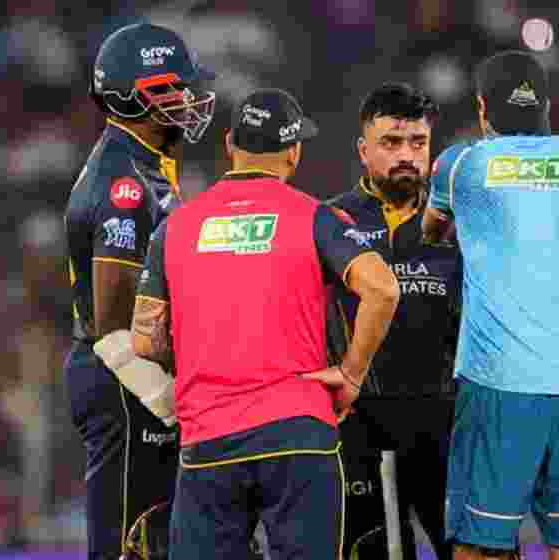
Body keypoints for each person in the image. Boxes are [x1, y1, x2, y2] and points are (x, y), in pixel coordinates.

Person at [127, 87, 400, 560]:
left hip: (209, 441)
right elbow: (383, 289)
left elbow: (143, 340)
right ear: (294, 152)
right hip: (297, 436)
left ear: (230, 144)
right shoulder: (316, 218)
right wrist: (352, 373)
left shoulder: (174, 228)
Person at [423, 50, 559, 560]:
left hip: (498, 382)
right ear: (547, 106)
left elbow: (431, 233)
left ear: (485, 109)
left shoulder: (459, 163)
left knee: (479, 547)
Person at [63, 22, 215, 560]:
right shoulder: (124, 182)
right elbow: (113, 319)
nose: (191, 99)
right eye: (177, 88)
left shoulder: (145, 164)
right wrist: (173, 385)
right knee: (130, 542)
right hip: (124, 377)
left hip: (132, 376)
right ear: (138, 96)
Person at [325, 82, 459, 560]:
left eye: (418, 143)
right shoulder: (332, 219)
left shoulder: (460, 220)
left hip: (448, 422)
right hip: (363, 426)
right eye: (391, 143)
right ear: (364, 150)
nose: (406, 155)